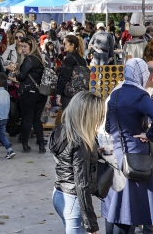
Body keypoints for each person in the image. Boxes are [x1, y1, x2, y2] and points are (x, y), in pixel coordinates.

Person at [102, 58, 153, 234]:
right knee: (128, 209)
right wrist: (149, 134)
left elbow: (108, 126)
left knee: (114, 206)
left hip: (115, 155)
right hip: (134, 156)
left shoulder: (116, 93)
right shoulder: (140, 95)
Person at [49, 91, 103, 234]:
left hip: (58, 193)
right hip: (73, 199)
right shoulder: (81, 143)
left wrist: (93, 154)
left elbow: (65, 157)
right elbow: (81, 184)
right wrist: (91, 223)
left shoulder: (61, 129)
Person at [7, 35, 47, 153]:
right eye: (21, 46)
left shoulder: (28, 60)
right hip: (41, 93)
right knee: (37, 119)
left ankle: (25, 144)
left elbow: (21, 77)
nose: (22, 49)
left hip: (28, 93)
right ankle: (41, 145)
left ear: (31, 47)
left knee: (27, 119)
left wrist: (15, 72)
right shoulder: (40, 58)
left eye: (25, 46)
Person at [56, 35, 87, 110]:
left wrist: (59, 94)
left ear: (72, 45)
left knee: (68, 119)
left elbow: (64, 77)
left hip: (69, 94)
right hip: (81, 94)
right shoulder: (82, 59)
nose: (63, 46)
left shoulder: (69, 58)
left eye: (65, 43)